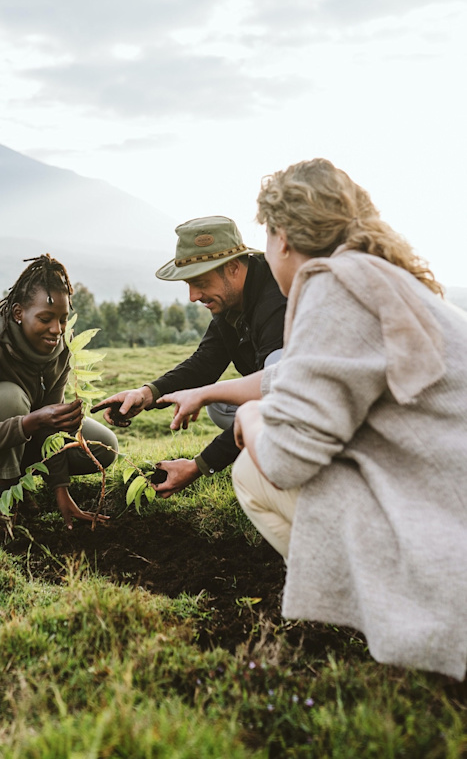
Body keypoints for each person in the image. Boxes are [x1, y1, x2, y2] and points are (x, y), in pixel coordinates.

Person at [190, 158, 466, 679]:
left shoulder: (333, 286)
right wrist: (210, 394)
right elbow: (300, 374)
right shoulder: (383, 278)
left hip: (451, 550)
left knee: (251, 473)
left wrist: (250, 417)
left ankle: (406, 620)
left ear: (284, 237)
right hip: (448, 502)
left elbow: (290, 459)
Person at [95, 216, 286, 497]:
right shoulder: (230, 302)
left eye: (200, 282)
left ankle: (278, 456)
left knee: (247, 408)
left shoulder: (277, 303)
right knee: (218, 406)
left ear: (233, 267)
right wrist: (147, 393)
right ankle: (260, 444)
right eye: (188, 284)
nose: (193, 296)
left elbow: (278, 397)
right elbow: (205, 363)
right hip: (279, 397)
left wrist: (200, 465)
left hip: (302, 406)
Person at [0, 254, 118, 533]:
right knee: (7, 397)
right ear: (18, 313)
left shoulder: (60, 350)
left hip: (27, 432)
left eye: (62, 319)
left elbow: (51, 429)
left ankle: (25, 485)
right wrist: (35, 421)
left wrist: (62, 490)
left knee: (105, 445)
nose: (56, 330)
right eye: (45, 318)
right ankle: (5, 502)